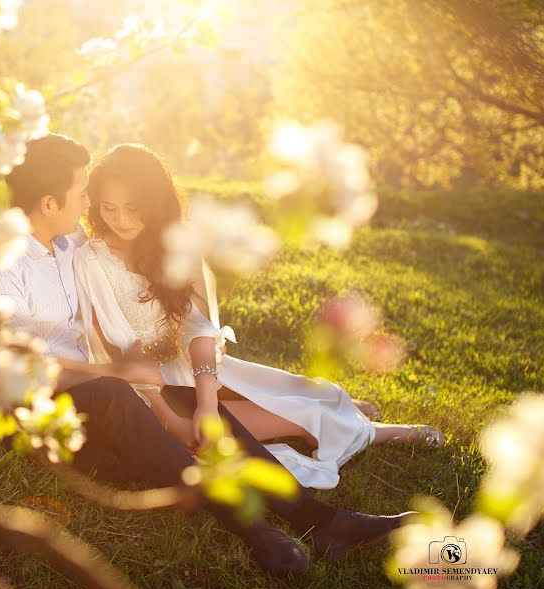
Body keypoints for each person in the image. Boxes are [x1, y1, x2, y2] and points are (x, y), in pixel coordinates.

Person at [0, 133, 415, 579]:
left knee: (187, 407)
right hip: (24, 411)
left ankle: (320, 522)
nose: (87, 203)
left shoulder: (65, 242)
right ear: (47, 204)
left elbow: (124, 249)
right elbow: (11, 369)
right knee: (117, 399)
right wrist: (112, 371)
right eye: (81, 193)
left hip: (90, 398)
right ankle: (253, 532)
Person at [73, 143, 445, 490]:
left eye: (133, 208)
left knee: (309, 392)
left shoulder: (179, 242)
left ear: (154, 202)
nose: (121, 220)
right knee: (300, 414)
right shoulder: (93, 260)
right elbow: (126, 355)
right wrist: (177, 417)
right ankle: (379, 431)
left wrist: (205, 403)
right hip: (149, 395)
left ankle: (343, 406)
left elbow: (199, 328)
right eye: (109, 208)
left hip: (194, 368)